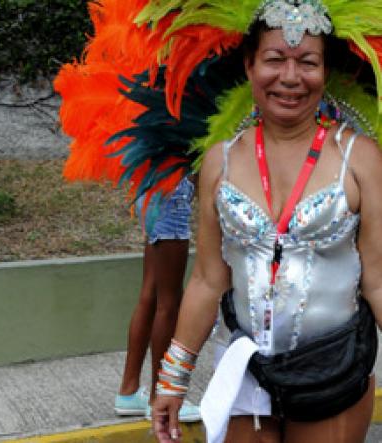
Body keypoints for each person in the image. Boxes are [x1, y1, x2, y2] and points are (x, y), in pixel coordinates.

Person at [143, 1, 382, 443]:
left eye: (307, 62)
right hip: (246, 371)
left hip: (331, 374)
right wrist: (173, 378)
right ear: (249, 66)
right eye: (275, 59)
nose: (290, 78)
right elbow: (208, 281)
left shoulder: (361, 159)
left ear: (325, 73)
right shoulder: (221, 161)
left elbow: (379, 281)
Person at [114, 175, 201, 422]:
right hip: (171, 192)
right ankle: (158, 396)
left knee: (151, 294)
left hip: (152, 186)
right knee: (169, 302)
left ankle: (129, 391)